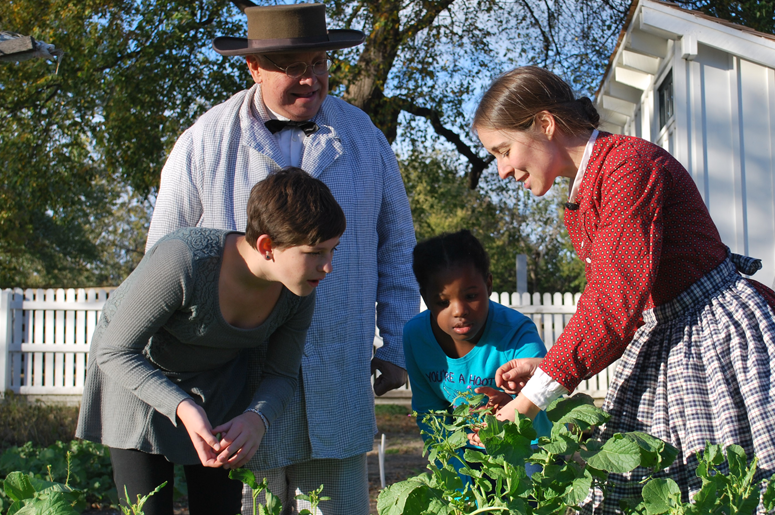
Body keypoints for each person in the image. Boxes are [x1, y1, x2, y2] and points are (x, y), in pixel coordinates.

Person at [144, 4, 418, 514]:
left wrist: (396, 342)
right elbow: (162, 256)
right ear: (253, 67)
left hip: (337, 372)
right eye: (293, 66)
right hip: (238, 383)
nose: (310, 78)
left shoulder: (364, 140)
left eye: (318, 63)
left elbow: (397, 246)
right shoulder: (204, 142)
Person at [471, 66, 775, 512]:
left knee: (729, 485)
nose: (500, 170)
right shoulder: (581, 201)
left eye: (503, 150)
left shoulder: (629, 166)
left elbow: (614, 300)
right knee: (648, 488)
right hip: (665, 335)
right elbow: (622, 311)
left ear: (544, 124)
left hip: (716, 336)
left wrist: (530, 400)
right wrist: (546, 367)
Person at [76, 168, 346, 515]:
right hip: (138, 383)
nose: (328, 267)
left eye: (333, 251)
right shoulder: (184, 260)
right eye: (315, 253)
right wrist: (183, 407)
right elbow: (113, 351)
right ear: (267, 246)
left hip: (219, 389)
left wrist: (255, 419)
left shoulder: (300, 291)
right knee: (146, 509)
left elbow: (281, 374)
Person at [403, 230, 551, 485]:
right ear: (426, 298)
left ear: (489, 285)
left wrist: (514, 405)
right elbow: (431, 415)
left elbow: (544, 420)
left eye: (471, 296)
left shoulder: (518, 334)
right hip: (463, 454)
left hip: (525, 451)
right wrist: (455, 482)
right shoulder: (416, 336)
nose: (459, 311)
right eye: (442, 301)